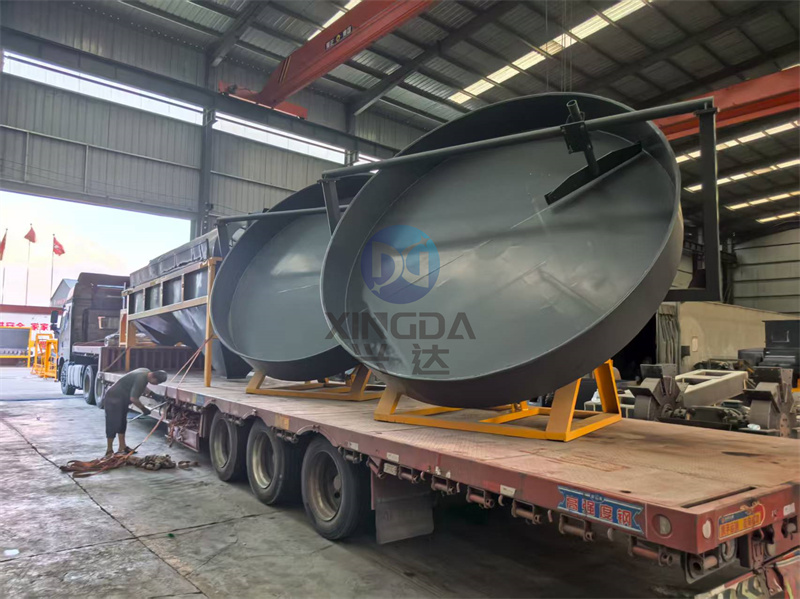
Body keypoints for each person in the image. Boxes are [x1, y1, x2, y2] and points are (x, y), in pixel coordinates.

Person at [103, 368, 168, 457]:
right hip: (113, 399)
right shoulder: (141, 378)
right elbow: (134, 399)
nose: (157, 384)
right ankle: (109, 450)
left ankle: (122, 447)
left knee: (122, 423)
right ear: (153, 377)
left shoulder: (146, 372)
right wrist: (143, 409)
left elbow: (140, 386)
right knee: (112, 424)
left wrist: (153, 394)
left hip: (121, 400)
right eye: (157, 382)